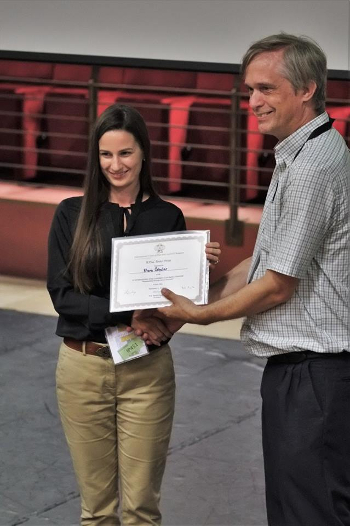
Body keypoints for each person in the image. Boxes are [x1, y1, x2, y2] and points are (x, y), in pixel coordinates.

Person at [156, 33, 350, 526]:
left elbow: (277, 285)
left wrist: (199, 314)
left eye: (266, 89)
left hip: (315, 376)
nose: (253, 102)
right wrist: (184, 308)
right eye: (249, 91)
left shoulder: (312, 167)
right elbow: (261, 264)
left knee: (310, 513)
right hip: (303, 374)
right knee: (293, 509)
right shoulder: (302, 154)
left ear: (307, 89)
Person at [47, 103, 220, 526]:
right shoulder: (72, 213)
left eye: (125, 153)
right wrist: (130, 313)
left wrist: (197, 267)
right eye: (106, 154)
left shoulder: (168, 216)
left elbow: (175, 302)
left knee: (142, 509)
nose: (115, 164)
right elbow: (63, 296)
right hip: (82, 368)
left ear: (143, 153)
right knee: (97, 511)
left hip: (147, 370)